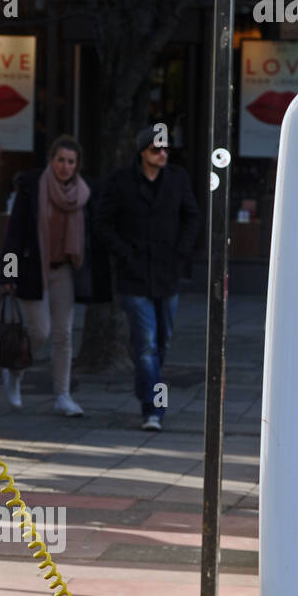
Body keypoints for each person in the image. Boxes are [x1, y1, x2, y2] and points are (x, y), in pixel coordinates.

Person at [95, 127, 201, 431]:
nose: (163, 154)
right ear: (142, 151)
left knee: (162, 341)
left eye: (166, 149)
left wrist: (182, 252)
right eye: (156, 149)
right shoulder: (120, 182)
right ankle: (154, 408)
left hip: (167, 273)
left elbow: (192, 215)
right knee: (147, 344)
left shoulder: (177, 180)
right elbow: (102, 223)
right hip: (135, 275)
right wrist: (125, 254)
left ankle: (147, 389)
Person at [0, 136, 104, 416]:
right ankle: (15, 368)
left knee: (64, 335)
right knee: (39, 331)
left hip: (65, 270)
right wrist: (7, 274)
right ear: (51, 160)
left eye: (71, 162)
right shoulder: (32, 187)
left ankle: (63, 395)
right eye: (60, 160)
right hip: (34, 268)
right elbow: (15, 233)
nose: (65, 167)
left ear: (77, 165)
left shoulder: (85, 192)